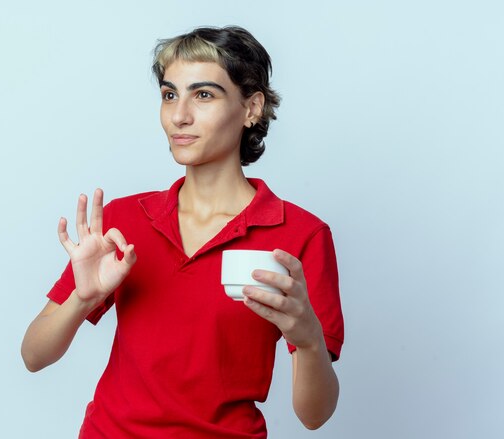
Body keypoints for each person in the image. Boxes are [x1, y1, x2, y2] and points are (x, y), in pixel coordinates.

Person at [21, 25, 344, 438]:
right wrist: (84, 298)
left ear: (252, 108)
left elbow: (314, 415)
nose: (179, 115)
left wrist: (310, 339)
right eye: (170, 94)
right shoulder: (125, 220)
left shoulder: (301, 235)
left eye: (204, 95)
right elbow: (33, 355)